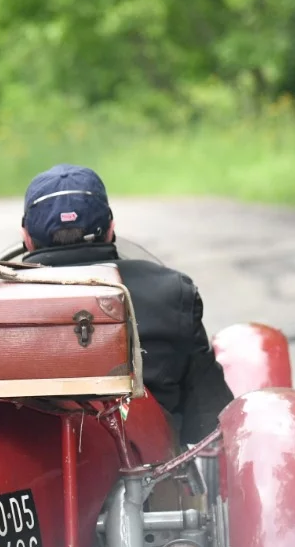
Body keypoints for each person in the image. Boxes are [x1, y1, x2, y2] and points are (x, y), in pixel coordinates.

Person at [18, 164, 232, 445]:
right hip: (150, 476)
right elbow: (207, 420)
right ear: (110, 228)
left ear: (27, 237)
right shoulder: (172, 291)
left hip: (33, 473)